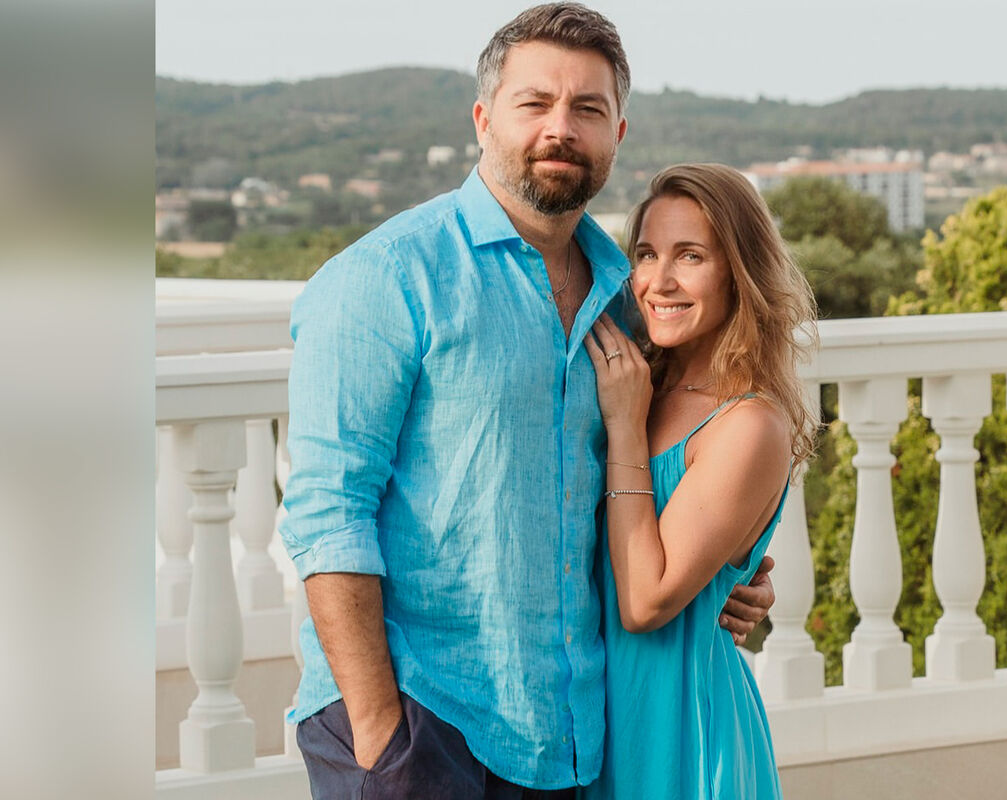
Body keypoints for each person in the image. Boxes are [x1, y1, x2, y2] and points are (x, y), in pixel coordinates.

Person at [280, 5, 775, 799]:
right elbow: (327, 511)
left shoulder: (627, 306)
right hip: (424, 721)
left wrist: (735, 579)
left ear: (618, 133)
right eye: (534, 103)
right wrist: (378, 732)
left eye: (588, 109)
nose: (561, 128)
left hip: (568, 736)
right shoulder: (388, 277)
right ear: (484, 120)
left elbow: (675, 484)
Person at [580, 163, 819, 799]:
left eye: (691, 256)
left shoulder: (747, 423)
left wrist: (625, 428)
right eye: (647, 254)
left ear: (739, 272)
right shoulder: (638, 378)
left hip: (681, 732)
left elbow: (645, 602)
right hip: (595, 723)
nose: (659, 281)